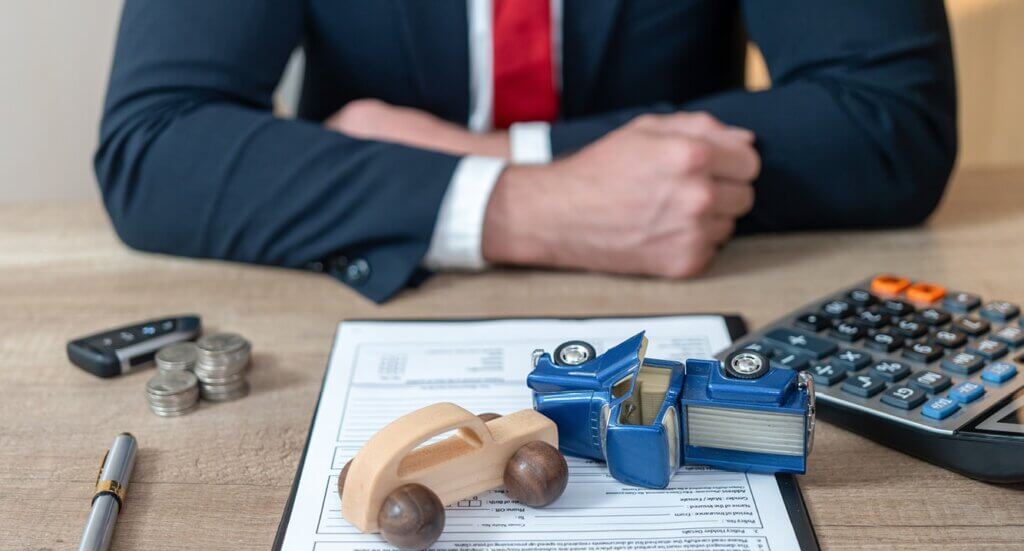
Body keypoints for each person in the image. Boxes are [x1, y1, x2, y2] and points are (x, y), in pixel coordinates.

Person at [95, 1, 957, 303]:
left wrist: (481, 155)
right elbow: (156, 146)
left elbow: (890, 119)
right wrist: (522, 204)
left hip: (703, 293)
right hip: (361, 305)